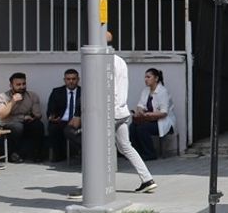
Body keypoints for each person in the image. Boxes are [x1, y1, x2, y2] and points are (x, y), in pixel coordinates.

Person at [90, 31, 155, 197]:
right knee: (126, 146)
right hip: (123, 111)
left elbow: (104, 89)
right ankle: (147, 179)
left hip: (108, 112)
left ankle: (92, 187)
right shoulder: (120, 61)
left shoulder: (102, 61)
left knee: (96, 149)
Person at [0, 72, 44, 162]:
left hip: (26, 123)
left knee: (38, 125)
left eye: (24, 84)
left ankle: (37, 155)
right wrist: (13, 101)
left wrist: (32, 117)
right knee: (17, 127)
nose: (22, 87)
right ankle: (14, 153)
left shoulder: (32, 96)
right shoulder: (2, 97)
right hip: (9, 124)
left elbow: (38, 114)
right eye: (18, 85)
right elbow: (1, 116)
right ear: (11, 85)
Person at [129, 68, 175, 161]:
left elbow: (163, 113)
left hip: (162, 122)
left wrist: (148, 114)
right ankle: (137, 153)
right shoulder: (146, 91)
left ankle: (149, 153)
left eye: (148, 77)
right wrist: (140, 111)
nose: (146, 79)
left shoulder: (163, 92)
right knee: (132, 126)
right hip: (150, 120)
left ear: (156, 78)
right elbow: (140, 105)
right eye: (145, 77)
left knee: (142, 128)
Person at [45, 68, 82, 162]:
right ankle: (57, 154)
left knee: (70, 130)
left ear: (78, 79)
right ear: (64, 80)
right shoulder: (57, 92)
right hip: (61, 120)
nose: (71, 81)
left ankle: (81, 151)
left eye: (74, 79)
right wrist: (52, 117)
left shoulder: (84, 92)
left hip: (77, 121)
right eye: (68, 79)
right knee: (53, 127)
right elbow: (50, 109)